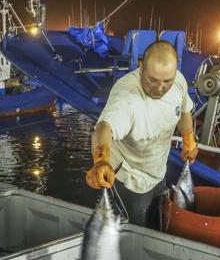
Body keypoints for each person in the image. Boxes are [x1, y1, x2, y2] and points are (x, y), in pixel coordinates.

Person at [85, 41, 198, 228]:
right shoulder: (127, 97)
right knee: (138, 230)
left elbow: (185, 111)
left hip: (158, 170)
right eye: (152, 80)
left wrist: (188, 140)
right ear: (141, 66)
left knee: (158, 220)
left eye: (166, 81)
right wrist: (101, 162)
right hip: (131, 178)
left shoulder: (178, 80)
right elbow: (104, 128)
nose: (160, 88)